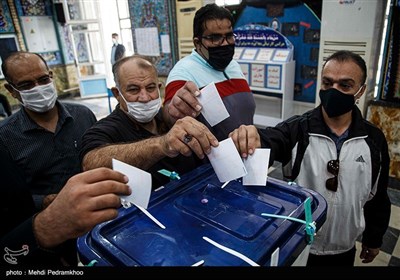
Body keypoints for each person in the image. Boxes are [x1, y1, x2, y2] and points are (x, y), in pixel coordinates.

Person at [229, 50, 391, 266]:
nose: (334, 91)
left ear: (360, 91)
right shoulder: (298, 129)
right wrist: (251, 137)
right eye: (327, 83)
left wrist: (373, 239)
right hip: (299, 245)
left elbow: (378, 197)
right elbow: (271, 140)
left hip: (343, 247)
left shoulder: (373, 141)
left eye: (345, 85)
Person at [80, 55, 218, 189]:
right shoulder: (107, 129)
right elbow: (91, 163)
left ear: (159, 88)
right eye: (133, 90)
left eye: (151, 88)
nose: (145, 97)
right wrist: (162, 144)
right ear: (117, 93)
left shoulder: (170, 119)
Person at [0, 51, 97, 211]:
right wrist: (46, 201)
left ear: (51, 76)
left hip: (97, 206)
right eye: (27, 85)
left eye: (43, 80)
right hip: (47, 220)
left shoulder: (83, 115)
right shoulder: (5, 138)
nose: (38, 89)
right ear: (11, 90)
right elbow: (8, 195)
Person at [1, 148, 131, 266]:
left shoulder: (82, 120)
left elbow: (16, 196)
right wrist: (46, 224)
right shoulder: (7, 134)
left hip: (90, 232)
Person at [163, 3, 255, 141]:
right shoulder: (183, 72)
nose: (224, 43)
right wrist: (172, 111)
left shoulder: (233, 65)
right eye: (215, 38)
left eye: (229, 36)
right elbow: (170, 114)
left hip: (247, 156)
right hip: (209, 161)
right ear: (197, 43)